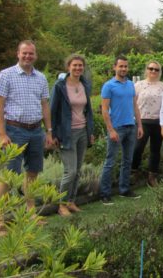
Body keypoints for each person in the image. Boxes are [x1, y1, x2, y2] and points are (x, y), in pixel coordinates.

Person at [0, 40, 53, 236]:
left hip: (36, 130)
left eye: (31, 54)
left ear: (35, 55)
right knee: (8, 176)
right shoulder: (6, 75)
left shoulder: (41, 78)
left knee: (33, 173)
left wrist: (49, 131)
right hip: (14, 130)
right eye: (24, 53)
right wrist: (2, 134)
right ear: (18, 54)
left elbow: (44, 105)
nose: (28, 56)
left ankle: (30, 213)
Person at [50, 54, 94, 216]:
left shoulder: (84, 84)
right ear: (68, 67)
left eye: (80, 66)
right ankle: (61, 205)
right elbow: (52, 111)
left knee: (78, 169)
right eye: (74, 65)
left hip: (82, 131)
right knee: (70, 171)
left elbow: (87, 111)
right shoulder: (59, 86)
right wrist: (52, 133)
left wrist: (90, 132)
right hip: (66, 133)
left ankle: (71, 201)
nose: (77, 68)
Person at [99, 56, 143, 204]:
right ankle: (105, 193)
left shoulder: (131, 84)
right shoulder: (109, 86)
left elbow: (135, 106)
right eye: (121, 66)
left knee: (127, 161)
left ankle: (124, 189)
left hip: (131, 126)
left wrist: (140, 125)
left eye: (125, 66)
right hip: (116, 128)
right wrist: (110, 130)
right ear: (114, 67)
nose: (123, 69)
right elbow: (104, 110)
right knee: (110, 161)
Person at [131, 61, 163, 187]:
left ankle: (152, 177)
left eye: (156, 69)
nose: (153, 71)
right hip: (142, 122)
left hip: (158, 122)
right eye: (151, 68)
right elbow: (133, 103)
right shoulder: (138, 85)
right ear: (146, 70)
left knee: (155, 150)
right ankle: (133, 172)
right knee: (137, 148)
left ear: (159, 72)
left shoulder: (162, 86)